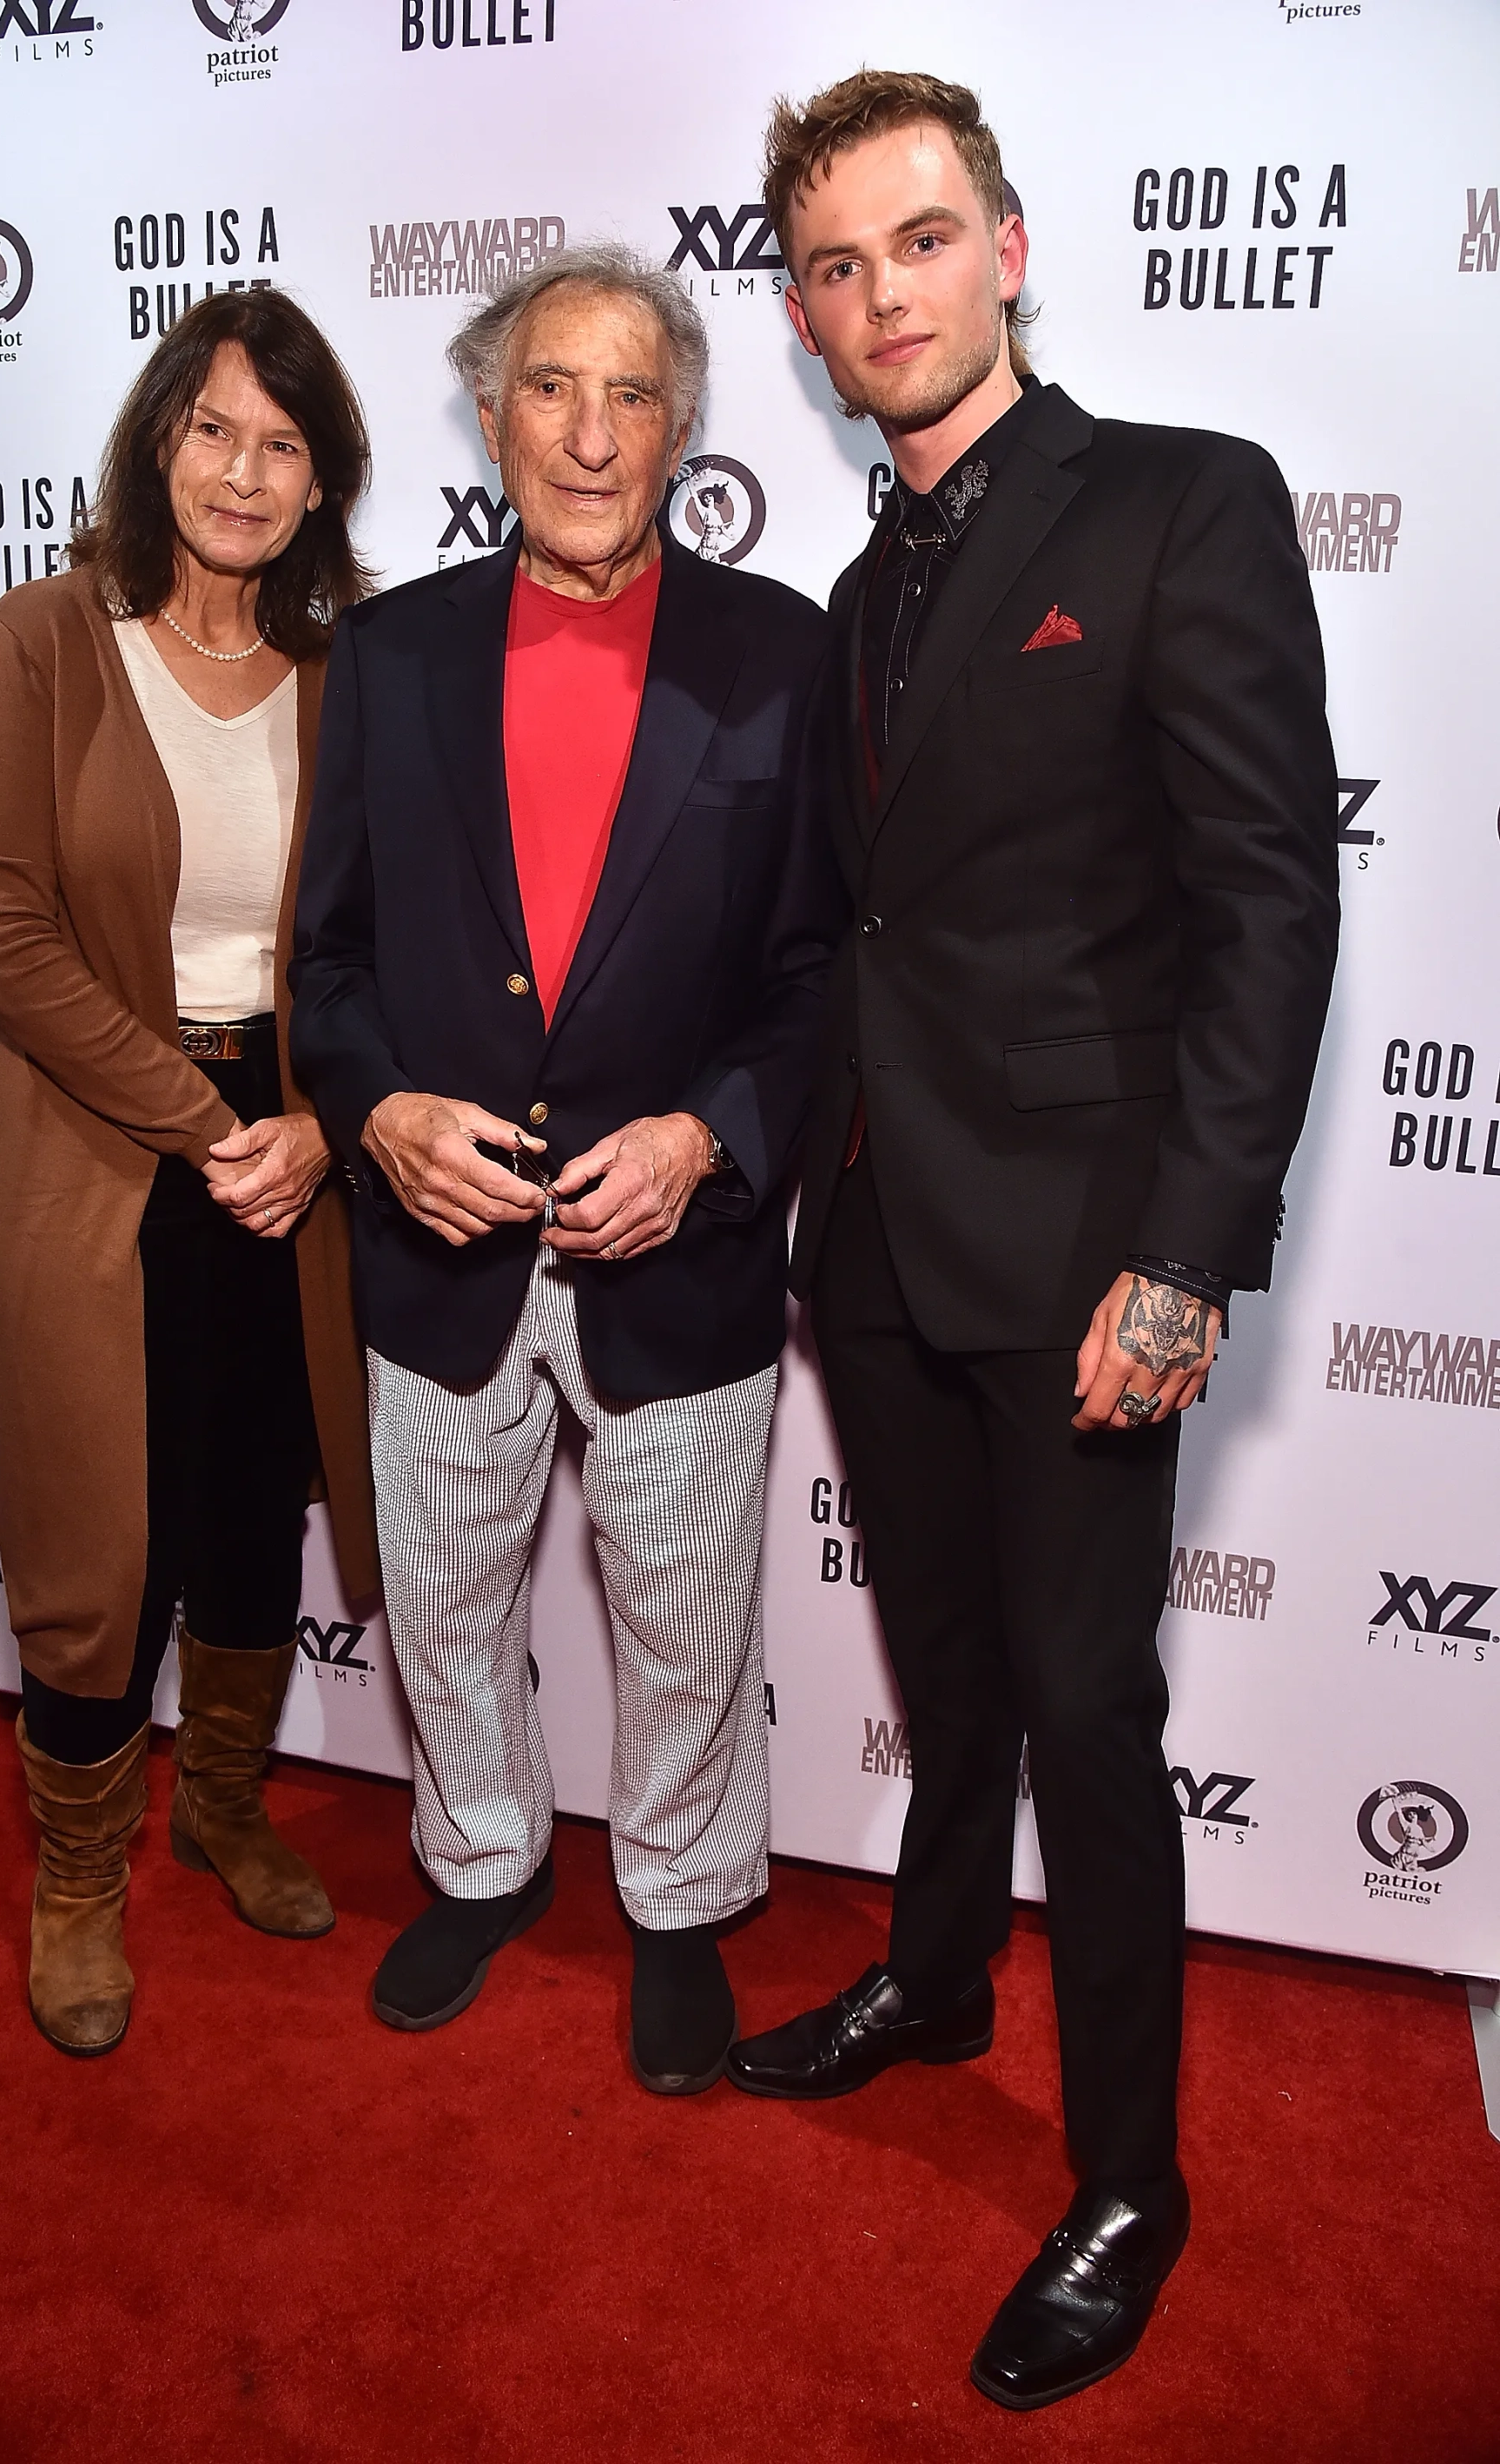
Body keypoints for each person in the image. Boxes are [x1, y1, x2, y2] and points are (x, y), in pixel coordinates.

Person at [724, 73, 1339, 2409]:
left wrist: (1184, 1255)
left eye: (919, 239)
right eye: (837, 264)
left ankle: (1126, 2181)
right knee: (946, 1663)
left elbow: (1269, 901)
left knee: (1089, 1708)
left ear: (1007, 245)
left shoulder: (1185, 501)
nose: (881, 292)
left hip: (1090, 1250)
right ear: (806, 308)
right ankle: (937, 1975)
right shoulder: (855, 588)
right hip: (874, 1232)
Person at [290, 243, 838, 2095]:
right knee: (441, 1586)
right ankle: (482, 1858)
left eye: (628, 393)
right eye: (549, 387)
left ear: (679, 424)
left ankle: (680, 1897)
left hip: (676, 1242)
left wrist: (707, 1141)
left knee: (685, 1601)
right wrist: (376, 1115)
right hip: (436, 1238)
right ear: (491, 412)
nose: (589, 433)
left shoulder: (787, 652)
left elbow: (821, 971)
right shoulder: (392, 648)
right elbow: (333, 960)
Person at [0, 290, 381, 2058]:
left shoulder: (348, 675)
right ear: (157, 440)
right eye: (214, 427)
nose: (243, 471)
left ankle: (223, 1798)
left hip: (299, 1156)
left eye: (283, 442)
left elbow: (385, 943)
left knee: (255, 1492)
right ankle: (74, 1879)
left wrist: (323, 1128)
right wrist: (212, 1130)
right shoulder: (43, 639)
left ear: (320, 481)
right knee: (93, 1532)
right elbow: (9, 938)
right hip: (103, 1153)